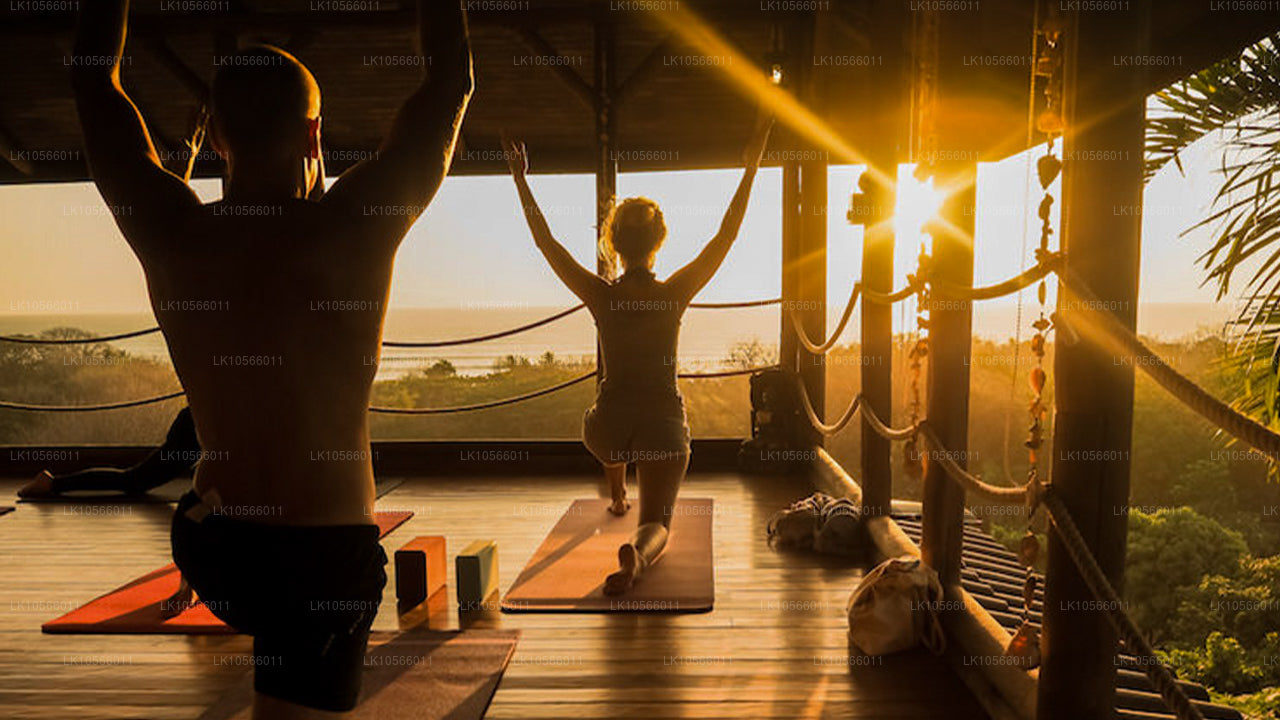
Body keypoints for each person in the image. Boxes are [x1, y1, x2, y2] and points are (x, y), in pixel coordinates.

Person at [70, 0, 472, 716]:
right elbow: (450, 86)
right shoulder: (355, 223)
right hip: (323, 559)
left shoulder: (171, 230)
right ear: (314, 132)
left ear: (217, 134)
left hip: (214, 548)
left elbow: (95, 86)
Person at [501, 116, 773, 595]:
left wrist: (520, 178)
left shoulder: (601, 296)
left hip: (608, 432)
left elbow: (546, 243)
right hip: (662, 428)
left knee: (603, 414)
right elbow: (725, 238)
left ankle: (616, 491)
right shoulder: (673, 294)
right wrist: (750, 168)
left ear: (613, 243)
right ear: (659, 242)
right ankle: (639, 553)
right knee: (660, 524)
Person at [18, 407, 198, 499]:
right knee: (134, 481)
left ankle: (53, 483)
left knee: (135, 481)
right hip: (196, 425)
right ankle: (51, 483)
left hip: (197, 423)